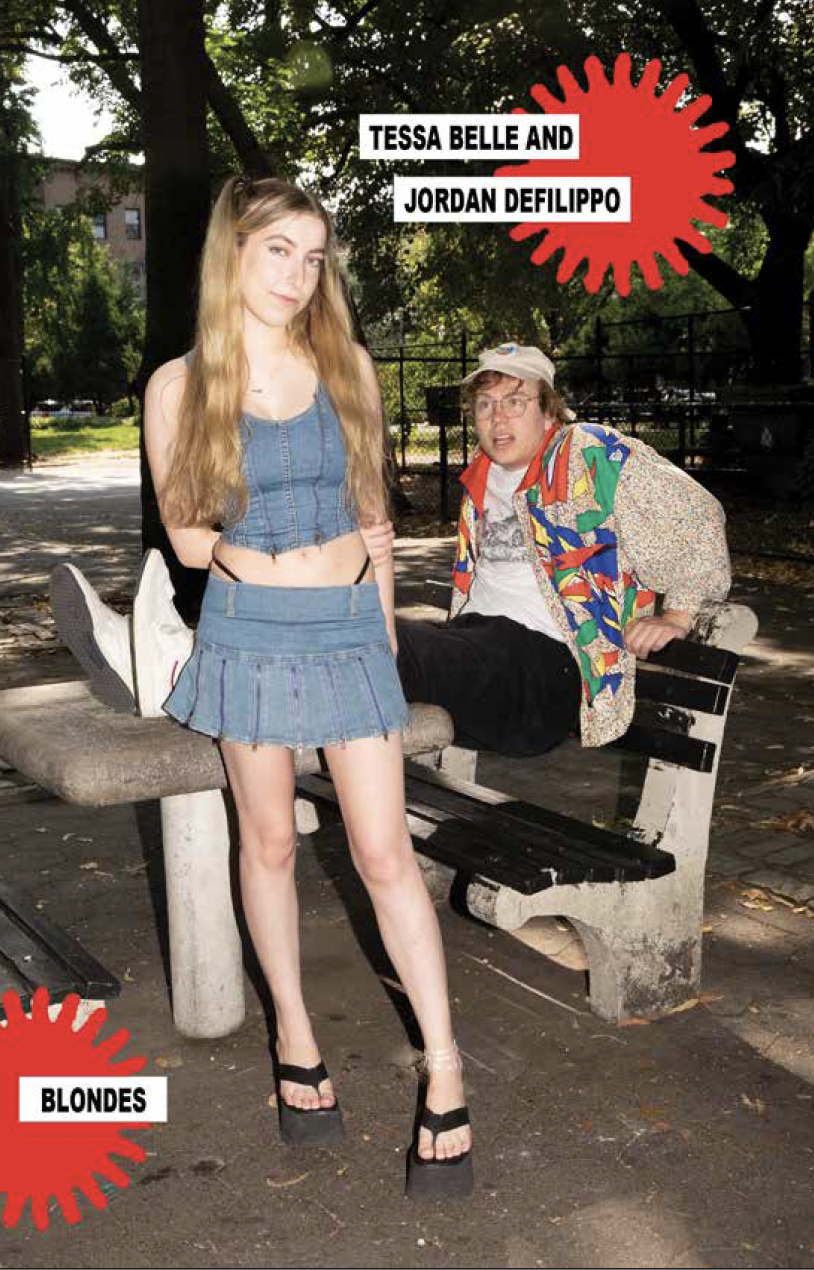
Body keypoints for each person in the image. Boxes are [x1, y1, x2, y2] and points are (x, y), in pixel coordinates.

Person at [51, 175, 472, 1199]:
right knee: (271, 840)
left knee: (382, 852)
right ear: (232, 255)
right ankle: (292, 1030)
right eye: (278, 250)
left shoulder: (349, 366)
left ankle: (446, 1067)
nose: (297, 274)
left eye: (313, 254)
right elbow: (191, 536)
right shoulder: (177, 386)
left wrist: (382, 654)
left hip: (343, 632)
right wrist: (259, 553)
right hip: (245, 631)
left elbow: (374, 523)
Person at [395, 342, 732, 755]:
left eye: (515, 402)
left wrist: (678, 614)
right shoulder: (482, 478)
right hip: (477, 652)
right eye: (485, 405)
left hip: (542, 673)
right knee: (362, 645)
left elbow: (698, 517)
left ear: (549, 411)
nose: (497, 417)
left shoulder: (587, 453)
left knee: (385, 648)